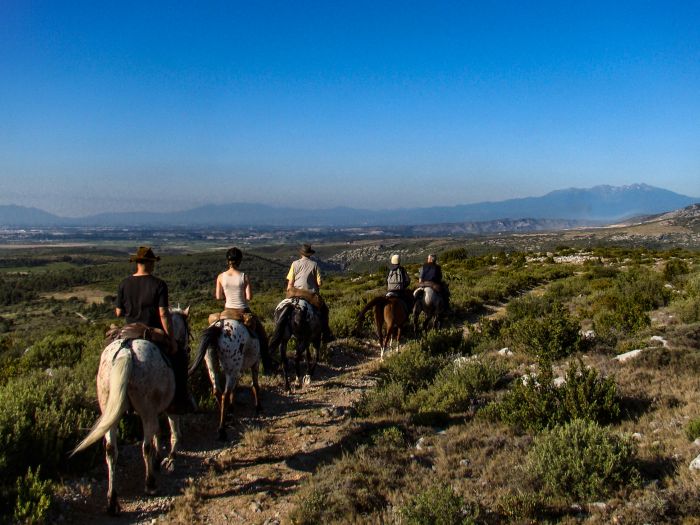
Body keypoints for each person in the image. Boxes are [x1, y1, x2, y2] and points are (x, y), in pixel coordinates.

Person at [115, 246, 195, 414]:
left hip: (128, 330)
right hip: (150, 331)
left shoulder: (124, 283)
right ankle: (179, 400)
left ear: (137, 263)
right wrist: (171, 339)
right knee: (180, 357)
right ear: (151, 263)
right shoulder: (159, 284)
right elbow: (164, 314)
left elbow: (118, 312)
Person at [212, 247, 269, 361]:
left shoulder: (220, 277)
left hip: (227, 311)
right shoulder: (244, 276)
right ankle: (267, 365)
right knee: (262, 337)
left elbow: (218, 297)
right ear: (239, 260)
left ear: (227, 261)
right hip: (243, 311)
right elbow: (249, 297)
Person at [285, 243, 334, 342]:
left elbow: (290, 283)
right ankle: (326, 334)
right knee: (324, 310)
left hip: (295, 292)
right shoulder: (314, 265)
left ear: (301, 254)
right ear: (310, 254)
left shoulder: (294, 264)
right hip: (309, 295)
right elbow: (319, 283)